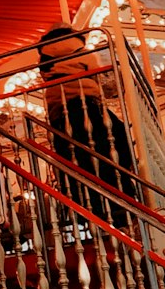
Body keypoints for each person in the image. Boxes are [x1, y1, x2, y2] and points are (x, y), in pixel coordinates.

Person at [36, 24, 139, 218]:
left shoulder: (44, 58)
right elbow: (95, 72)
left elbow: (44, 75)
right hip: (86, 103)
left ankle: (84, 203)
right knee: (117, 137)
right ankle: (124, 186)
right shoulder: (83, 52)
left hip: (60, 111)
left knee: (75, 156)